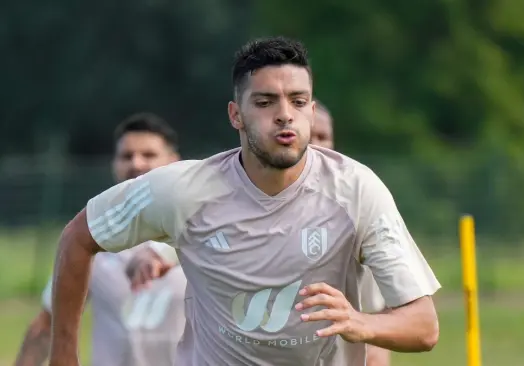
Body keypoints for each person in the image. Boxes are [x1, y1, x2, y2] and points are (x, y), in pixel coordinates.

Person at [48, 36, 441, 366]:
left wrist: (360, 323)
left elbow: (423, 326)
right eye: (266, 102)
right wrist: (63, 354)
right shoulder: (184, 190)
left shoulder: (357, 191)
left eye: (298, 101)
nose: (285, 115)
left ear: (311, 109)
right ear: (236, 115)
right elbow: (79, 237)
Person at [15, 113, 187, 366]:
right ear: (113, 164)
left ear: (174, 163)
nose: (136, 163)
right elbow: (47, 324)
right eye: (126, 156)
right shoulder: (89, 241)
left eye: (149, 155)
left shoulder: (200, 233)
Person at [311, 100, 391, 366]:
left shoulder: (354, 220)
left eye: (323, 136)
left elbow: (375, 316)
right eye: (309, 135)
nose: (317, 144)